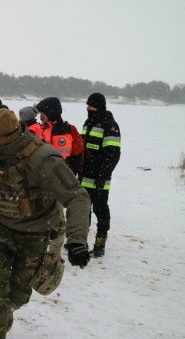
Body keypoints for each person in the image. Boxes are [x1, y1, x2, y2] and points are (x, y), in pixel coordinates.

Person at [0, 109, 91, 339]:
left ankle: (8, 309)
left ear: (13, 135)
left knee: (19, 293)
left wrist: (78, 239)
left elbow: (77, 197)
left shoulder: (42, 158)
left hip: (34, 234)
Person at [80, 93, 121, 257]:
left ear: (98, 106)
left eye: (90, 105)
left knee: (100, 210)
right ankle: (80, 243)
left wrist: (102, 175)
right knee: (83, 211)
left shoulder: (110, 125)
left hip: (99, 179)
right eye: (87, 105)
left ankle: (100, 243)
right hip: (84, 176)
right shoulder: (88, 122)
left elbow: (113, 154)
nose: (87, 108)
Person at [33, 97, 84, 175]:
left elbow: (60, 162)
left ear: (51, 114)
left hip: (58, 178)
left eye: (42, 114)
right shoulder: (48, 128)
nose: (40, 117)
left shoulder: (60, 132)